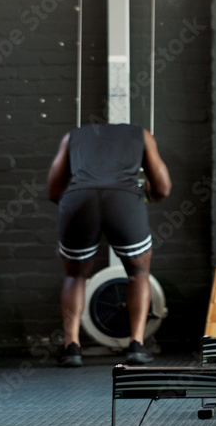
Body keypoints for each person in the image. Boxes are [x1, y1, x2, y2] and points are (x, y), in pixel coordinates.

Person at [47, 123, 171, 367]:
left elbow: (53, 191)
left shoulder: (72, 136)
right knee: (138, 273)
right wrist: (147, 192)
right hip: (123, 200)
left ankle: (71, 347)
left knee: (74, 276)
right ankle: (136, 345)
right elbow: (163, 188)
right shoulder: (142, 135)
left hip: (78, 201)